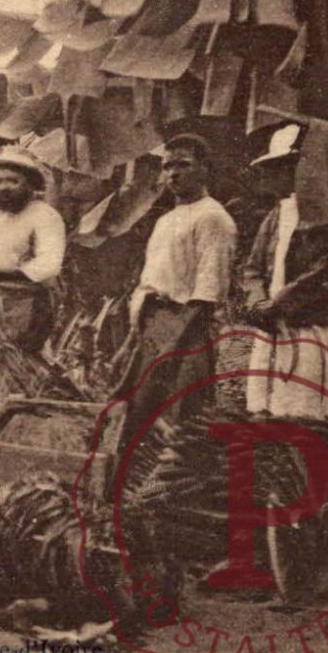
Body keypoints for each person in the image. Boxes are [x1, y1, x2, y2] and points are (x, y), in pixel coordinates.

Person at [113, 133, 238, 455]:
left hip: (188, 327)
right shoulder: (166, 219)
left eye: (183, 165)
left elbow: (209, 289)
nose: (173, 173)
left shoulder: (213, 217)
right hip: (153, 324)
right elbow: (150, 283)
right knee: (134, 414)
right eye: (167, 166)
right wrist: (134, 340)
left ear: (205, 169)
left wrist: (175, 342)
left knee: (184, 418)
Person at [240, 122, 328, 423]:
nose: (278, 176)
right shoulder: (275, 216)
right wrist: (258, 302)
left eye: (286, 167)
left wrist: (279, 302)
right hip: (272, 324)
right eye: (276, 169)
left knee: (304, 411)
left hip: (311, 324)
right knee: (264, 410)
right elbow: (253, 267)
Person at [0, 148, 66, 352]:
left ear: (29, 184)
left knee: (13, 357)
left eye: (12, 181)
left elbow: (49, 265)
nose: (3, 187)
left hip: (29, 303)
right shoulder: (0, 218)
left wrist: (2, 271)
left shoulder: (45, 216)